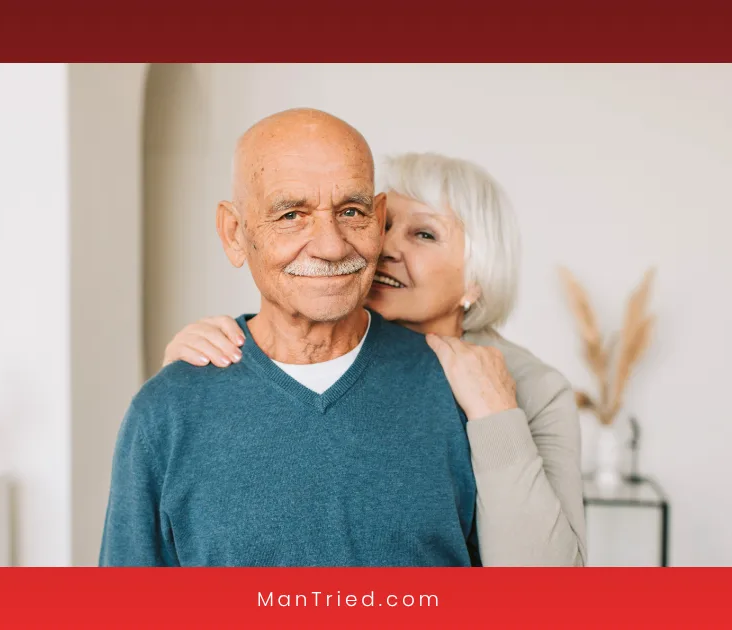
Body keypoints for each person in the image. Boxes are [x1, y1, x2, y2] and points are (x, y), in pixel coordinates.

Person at [161, 152, 587, 566]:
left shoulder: (536, 388)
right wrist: (193, 377)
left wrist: (496, 416)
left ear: (476, 278)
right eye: (382, 225)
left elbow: (552, 588)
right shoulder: (310, 349)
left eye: (424, 234)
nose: (386, 248)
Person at [99, 109, 482, 567]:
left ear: (379, 221)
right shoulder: (166, 412)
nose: (331, 245)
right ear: (235, 234)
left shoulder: (461, 391)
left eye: (352, 212)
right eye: (292, 214)